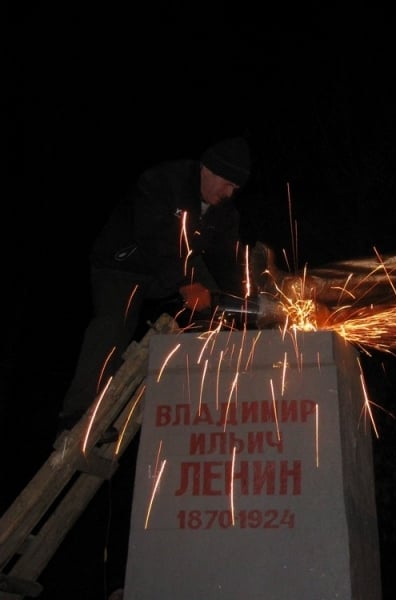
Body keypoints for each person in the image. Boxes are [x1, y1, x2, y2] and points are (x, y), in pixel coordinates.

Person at [57, 136, 253, 441]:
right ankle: (79, 413)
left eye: (235, 189)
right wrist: (186, 283)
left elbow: (226, 260)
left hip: (176, 262)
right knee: (114, 324)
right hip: (123, 262)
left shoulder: (225, 212)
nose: (229, 193)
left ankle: (211, 391)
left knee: (218, 301)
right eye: (226, 184)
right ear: (207, 170)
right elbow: (152, 237)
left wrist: (243, 303)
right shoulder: (162, 181)